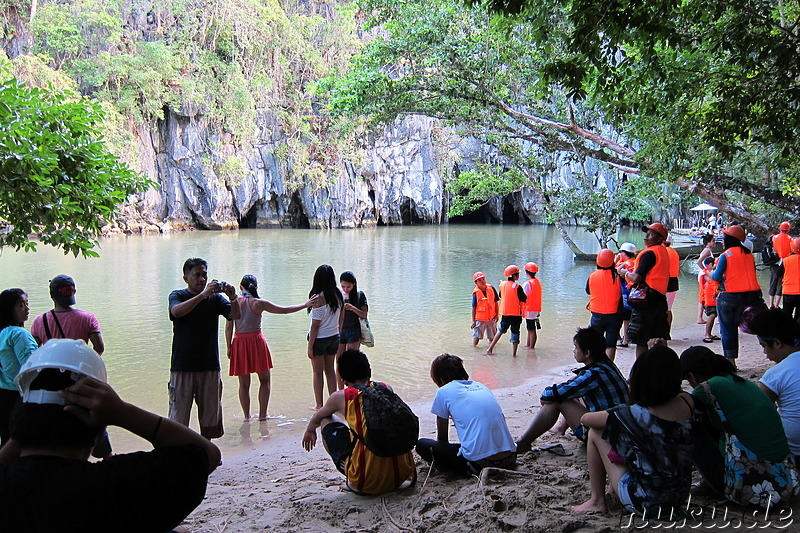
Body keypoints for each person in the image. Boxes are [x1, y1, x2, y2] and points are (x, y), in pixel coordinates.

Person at [0, 339, 220, 533]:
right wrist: (122, 413)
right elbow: (206, 455)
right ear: (96, 427)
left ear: (21, 413)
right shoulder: (114, 486)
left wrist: (24, 429)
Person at [572, 346, 693, 516]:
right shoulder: (687, 401)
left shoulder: (632, 413)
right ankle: (608, 493)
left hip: (643, 502)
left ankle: (597, 500)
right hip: (678, 497)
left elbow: (586, 419)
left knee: (595, 433)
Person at [680, 346, 799, 508]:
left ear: (691, 376)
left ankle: (709, 484)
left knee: (689, 427)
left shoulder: (707, 388)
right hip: (782, 477)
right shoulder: (741, 382)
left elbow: (677, 412)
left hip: (754, 483)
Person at [301, 349, 416, 495]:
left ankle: (353, 480)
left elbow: (318, 417)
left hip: (367, 481)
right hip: (402, 474)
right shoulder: (386, 388)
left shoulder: (341, 397)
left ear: (343, 381)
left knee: (326, 419)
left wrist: (310, 430)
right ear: (369, 372)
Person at [515, 327, 629, 453]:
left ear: (587, 353)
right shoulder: (607, 365)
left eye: (576, 347)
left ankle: (524, 442)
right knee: (572, 392)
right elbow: (572, 386)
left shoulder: (593, 374)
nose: (573, 351)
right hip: (618, 429)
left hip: (603, 437)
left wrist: (545, 396)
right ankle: (560, 427)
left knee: (557, 400)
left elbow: (554, 394)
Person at [225, 275, 316, 420]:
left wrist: (229, 346)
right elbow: (284, 310)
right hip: (256, 341)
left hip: (239, 343)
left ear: (241, 287)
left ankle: (247, 417)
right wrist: (305, 305)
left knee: (243, 384)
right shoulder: (259, 303)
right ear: (256, 287)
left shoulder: (234, 302)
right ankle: (262, 416)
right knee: (265, 380)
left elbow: (229, 326)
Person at [169, 257, 241, 439]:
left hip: (209, 365)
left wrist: (233, 297)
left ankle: (207, 452)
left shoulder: (215, 299)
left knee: (210, 416)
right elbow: (176, 312)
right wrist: (202, 296)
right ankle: (177, 455)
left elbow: (236, 314)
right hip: (182, 366)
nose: (202, 279)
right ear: (186, 278)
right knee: (178, 417)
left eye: (204, 275)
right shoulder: (177, 295)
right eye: (197, 275)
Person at [416, 354, 516, 475]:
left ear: (439, 378)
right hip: (511, 458)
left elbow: (442, 440)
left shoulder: (443, 392)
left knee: (422, 444)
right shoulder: (481, 386)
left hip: (481, 464)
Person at [711, 225, 763, 368]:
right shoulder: (749, 255)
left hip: (728, 297)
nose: (722, 240)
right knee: (742, 326)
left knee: (727, 329)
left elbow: (716, 277)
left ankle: (731, 362)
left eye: (724, 237)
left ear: (729, 239)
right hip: (747, 297)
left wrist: (708, 274)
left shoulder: (725, 255)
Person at [751, 309, 800, 459]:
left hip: (792, 453)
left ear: (777, 343)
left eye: (763, 346)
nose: (765, 353)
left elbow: (757, 413)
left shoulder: (777, 374)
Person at [623, 222, 671, 357]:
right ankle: (663, 369)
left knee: (641, 340)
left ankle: (640, 374)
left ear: (660, 239)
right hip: (660, 299)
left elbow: (637, 278)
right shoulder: (664, 253)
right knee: (660, 338)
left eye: (651, 234)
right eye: (646, 233)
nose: (646, 236)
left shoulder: (649, 253)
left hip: (646, 301)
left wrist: (625, 273)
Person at [31, 275, 104, 355]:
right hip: (77, 366)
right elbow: (99, 348)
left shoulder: (39, 321)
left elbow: (34, 351)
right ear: (74, 292)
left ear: (51, 295)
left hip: (51, 366)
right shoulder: (88, 318)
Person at [0, 288, 37, 446]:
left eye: (27, 304)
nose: (27, 308)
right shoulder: (18, 334)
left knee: (7, 440)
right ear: (9, 309)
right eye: (21, 305)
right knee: (22, 442)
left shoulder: (2, 332)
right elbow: (32, 367)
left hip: (2, 394)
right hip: (19, 395)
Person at [307, 265, 344, 409]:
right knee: (330, 370)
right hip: (334, 336)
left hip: (320, 339)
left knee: (317, 372)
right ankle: (333, 402)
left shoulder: (318, 298)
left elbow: (315, 326)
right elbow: (342, 317)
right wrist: (337, 332)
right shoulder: (339, 294)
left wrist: (310, 346)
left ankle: (319, 405)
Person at [586, 249, 622, 361]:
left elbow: (588, 291)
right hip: (614, 314)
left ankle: (596, 366)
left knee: (596, 343)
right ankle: (608, 366)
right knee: (611, 343)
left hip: (597, 314)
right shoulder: (618, 276)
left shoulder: (592, 276)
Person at [486, 265, 527, 357]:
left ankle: (490, 349)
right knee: (515, 333)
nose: (518, 276)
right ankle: (514, 354)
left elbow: (501, 296)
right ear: (514, 276)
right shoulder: (517, 287)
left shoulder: (502, 285)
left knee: (500, 330)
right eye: (518, 274)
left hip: (505, 313)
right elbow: (524, 299)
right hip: (516, 314)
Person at [336, 271, 368, 387]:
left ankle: (353, 389)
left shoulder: (359, 296)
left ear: (354, 284)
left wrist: (352, 308)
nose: (345, 289)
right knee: (339, 362)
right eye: (343, 286)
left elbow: (364, 314)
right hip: (340, 330)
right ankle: (340, 391)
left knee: (352, 362)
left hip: (354, 330)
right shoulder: (339, 295)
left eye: (348, 287)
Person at [615, 243, 637, 347]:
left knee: (625, 317)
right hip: (635, 292)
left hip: (626, 292)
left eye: (621, 252)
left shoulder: (625, 264)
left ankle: (625, 340)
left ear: (624, 253)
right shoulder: (636, 262)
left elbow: (616, 271)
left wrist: (617, 259)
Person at [471, 272, 499, 347]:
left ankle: (492, 349)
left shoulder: (491, 288)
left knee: (492, 337)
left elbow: (496, 302)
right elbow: (473, 308)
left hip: (491, 317)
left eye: (483, 279)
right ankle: (474, 351)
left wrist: (497, 315)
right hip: (480, 319)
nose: (482, 281)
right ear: (475, 282)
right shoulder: (476, 293)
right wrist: (473, 321)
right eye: (480, 280)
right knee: (476, 336)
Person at [769, 221, 793, 309]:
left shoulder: (774, 238)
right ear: (788, 230)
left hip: (775, 262)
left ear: (780, 229)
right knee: (780, 284)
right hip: (784, 263)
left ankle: (771, 304)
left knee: (772, 282)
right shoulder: (790, 239)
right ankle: (776, 305)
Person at [695, 233, 716, 324]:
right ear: (708, 242)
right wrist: (705, 271)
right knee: (703, 295)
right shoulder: (707, 250)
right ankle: (699, 317)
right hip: (705, 274)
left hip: (706, 273)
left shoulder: (708, 250)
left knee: (704, 295)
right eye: (713, 241)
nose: (715, 242)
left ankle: (701, 317)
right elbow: (698, 262)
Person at [522, 262, 543, 349]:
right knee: (530, 328)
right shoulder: (537, 282)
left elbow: (523, 295)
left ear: (527, 272)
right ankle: (528, 345)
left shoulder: (528, 283)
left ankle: (531, 347)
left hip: (530, 308)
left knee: (531, 329)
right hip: (536, 308)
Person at [664, 234, 680, 332]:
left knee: (660, 309)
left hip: (664, 281)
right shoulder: (674, 252)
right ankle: (667, 332)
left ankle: (660, 333)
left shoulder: (662, 251)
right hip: (674, 281)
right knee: (669, 309)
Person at [700, 257, 719, 343]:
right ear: (708, 265)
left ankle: (709, 334)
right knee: (712, 315)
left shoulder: (712, 272)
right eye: (712, 264)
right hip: (709, 298)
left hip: (715, 297)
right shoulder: (705, 272)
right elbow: (713, 279)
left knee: (714, 315)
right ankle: (707, 334)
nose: (714, 265)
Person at [782, 237, 800, 321]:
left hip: (788, 292)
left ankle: (786, 333)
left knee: (786, 316)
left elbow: (779, 274)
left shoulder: (786, 260)